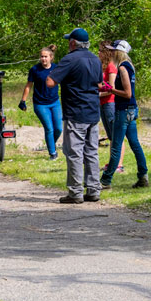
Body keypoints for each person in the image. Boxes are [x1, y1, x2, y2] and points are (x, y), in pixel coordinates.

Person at [46, 27, 104, 204]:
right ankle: (93, 190)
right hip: (93, 111)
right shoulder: (95, 59)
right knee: (91, 152)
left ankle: (75, 192)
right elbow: (100, 84)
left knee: (74, 153)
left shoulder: (69, 59)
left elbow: (50, 82)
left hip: (75, 111)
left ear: (73, 43)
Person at [100, 40, 149, 189]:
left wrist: (110, 90)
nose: (111, 53)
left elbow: (127, 93)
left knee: (115, 145)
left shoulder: (122, 68)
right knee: (134, 144)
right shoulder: (129, 66)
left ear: (119, 52)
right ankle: (143, 176)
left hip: (124, 109)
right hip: (130, 109)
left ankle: (105, 181)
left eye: (113, 50)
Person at [19, 45, 63, 160]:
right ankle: (53, 153)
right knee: (49, 128)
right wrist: (23, 101)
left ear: (51, 57)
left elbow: (63, 83)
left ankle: (51, 144)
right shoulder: (35, 70)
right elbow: (29, 86)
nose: (43, 59)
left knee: (58, 128)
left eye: (46, 57)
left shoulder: (56, 68)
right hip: (40, 104)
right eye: (42, 57)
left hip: (55, 102)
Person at [98, 40, 122, 172]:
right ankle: (112, 163)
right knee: (110, 134)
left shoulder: (111, 67)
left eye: (100, 50)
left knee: (116, 134)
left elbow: (111, 88)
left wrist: (96, 95)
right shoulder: (101, 66)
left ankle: (119, 164)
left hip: (110, 103)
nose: (98, 53)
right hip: (102, 103)